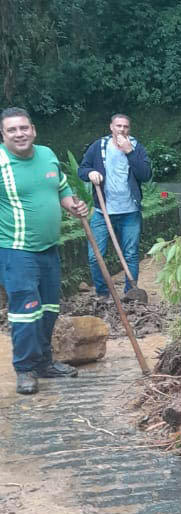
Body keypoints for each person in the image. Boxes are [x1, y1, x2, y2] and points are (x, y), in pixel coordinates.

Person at [0, 107, 89, 395]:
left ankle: (43, 363)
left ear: (33, 130)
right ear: (3, 135)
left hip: (49, 249)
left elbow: (61, 189)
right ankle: (25, 369)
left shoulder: (47, 154)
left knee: (49, 309)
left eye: (23, 128)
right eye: (12, 130)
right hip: (17, 250)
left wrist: (74, 206)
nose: (19, 133)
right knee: (26, 312)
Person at [78, 113, 152, 298]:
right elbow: (82, 169)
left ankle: (130, 294)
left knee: (131, 254)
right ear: (111, 127)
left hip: (130, 213)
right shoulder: (98, 147)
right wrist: (91, 173)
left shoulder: (136, 148)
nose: (122, 129)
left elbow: (145, 175)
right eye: (118, 126)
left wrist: (130, 152)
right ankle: (103, 294)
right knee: (95, 256)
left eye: (125, 127)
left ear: (129, 129)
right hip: (103, 212)